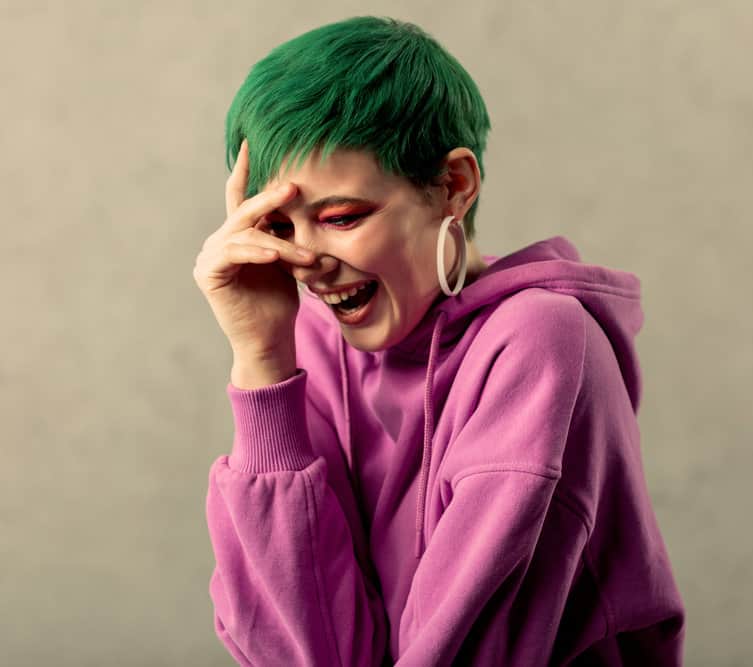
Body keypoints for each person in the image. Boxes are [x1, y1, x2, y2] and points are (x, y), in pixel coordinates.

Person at [193, 16, 685, 666]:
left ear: (455, 185)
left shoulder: (538, 342)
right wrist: (260, 363)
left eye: (340, 217)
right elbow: (300, 650)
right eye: (280, 224)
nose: (306, 258)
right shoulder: (307, 345)